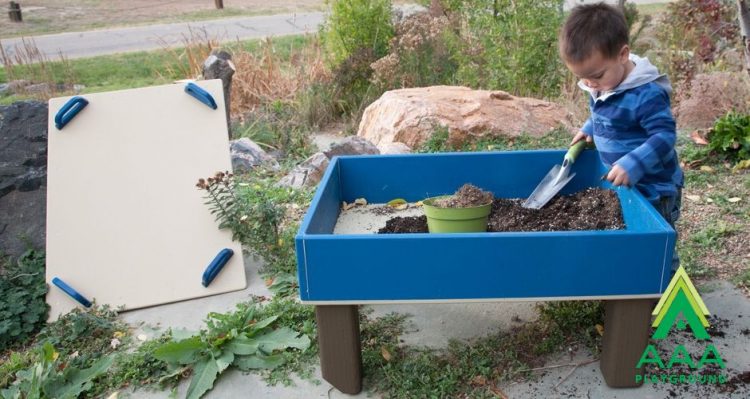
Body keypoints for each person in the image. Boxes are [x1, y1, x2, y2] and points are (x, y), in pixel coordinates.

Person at [560, 3, 683, 272]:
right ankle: (638, 283)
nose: (590, 84)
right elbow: (603, 109)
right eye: (582, 79)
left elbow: (664, 136)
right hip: (628, 185)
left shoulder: (646, 94)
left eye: (595, 76)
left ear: (623, 55)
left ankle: (670, 298)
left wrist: (634, 163)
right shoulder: (605, 81)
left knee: (658, 247)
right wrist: (590, 128)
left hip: (655, 188)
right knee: (635, 241)